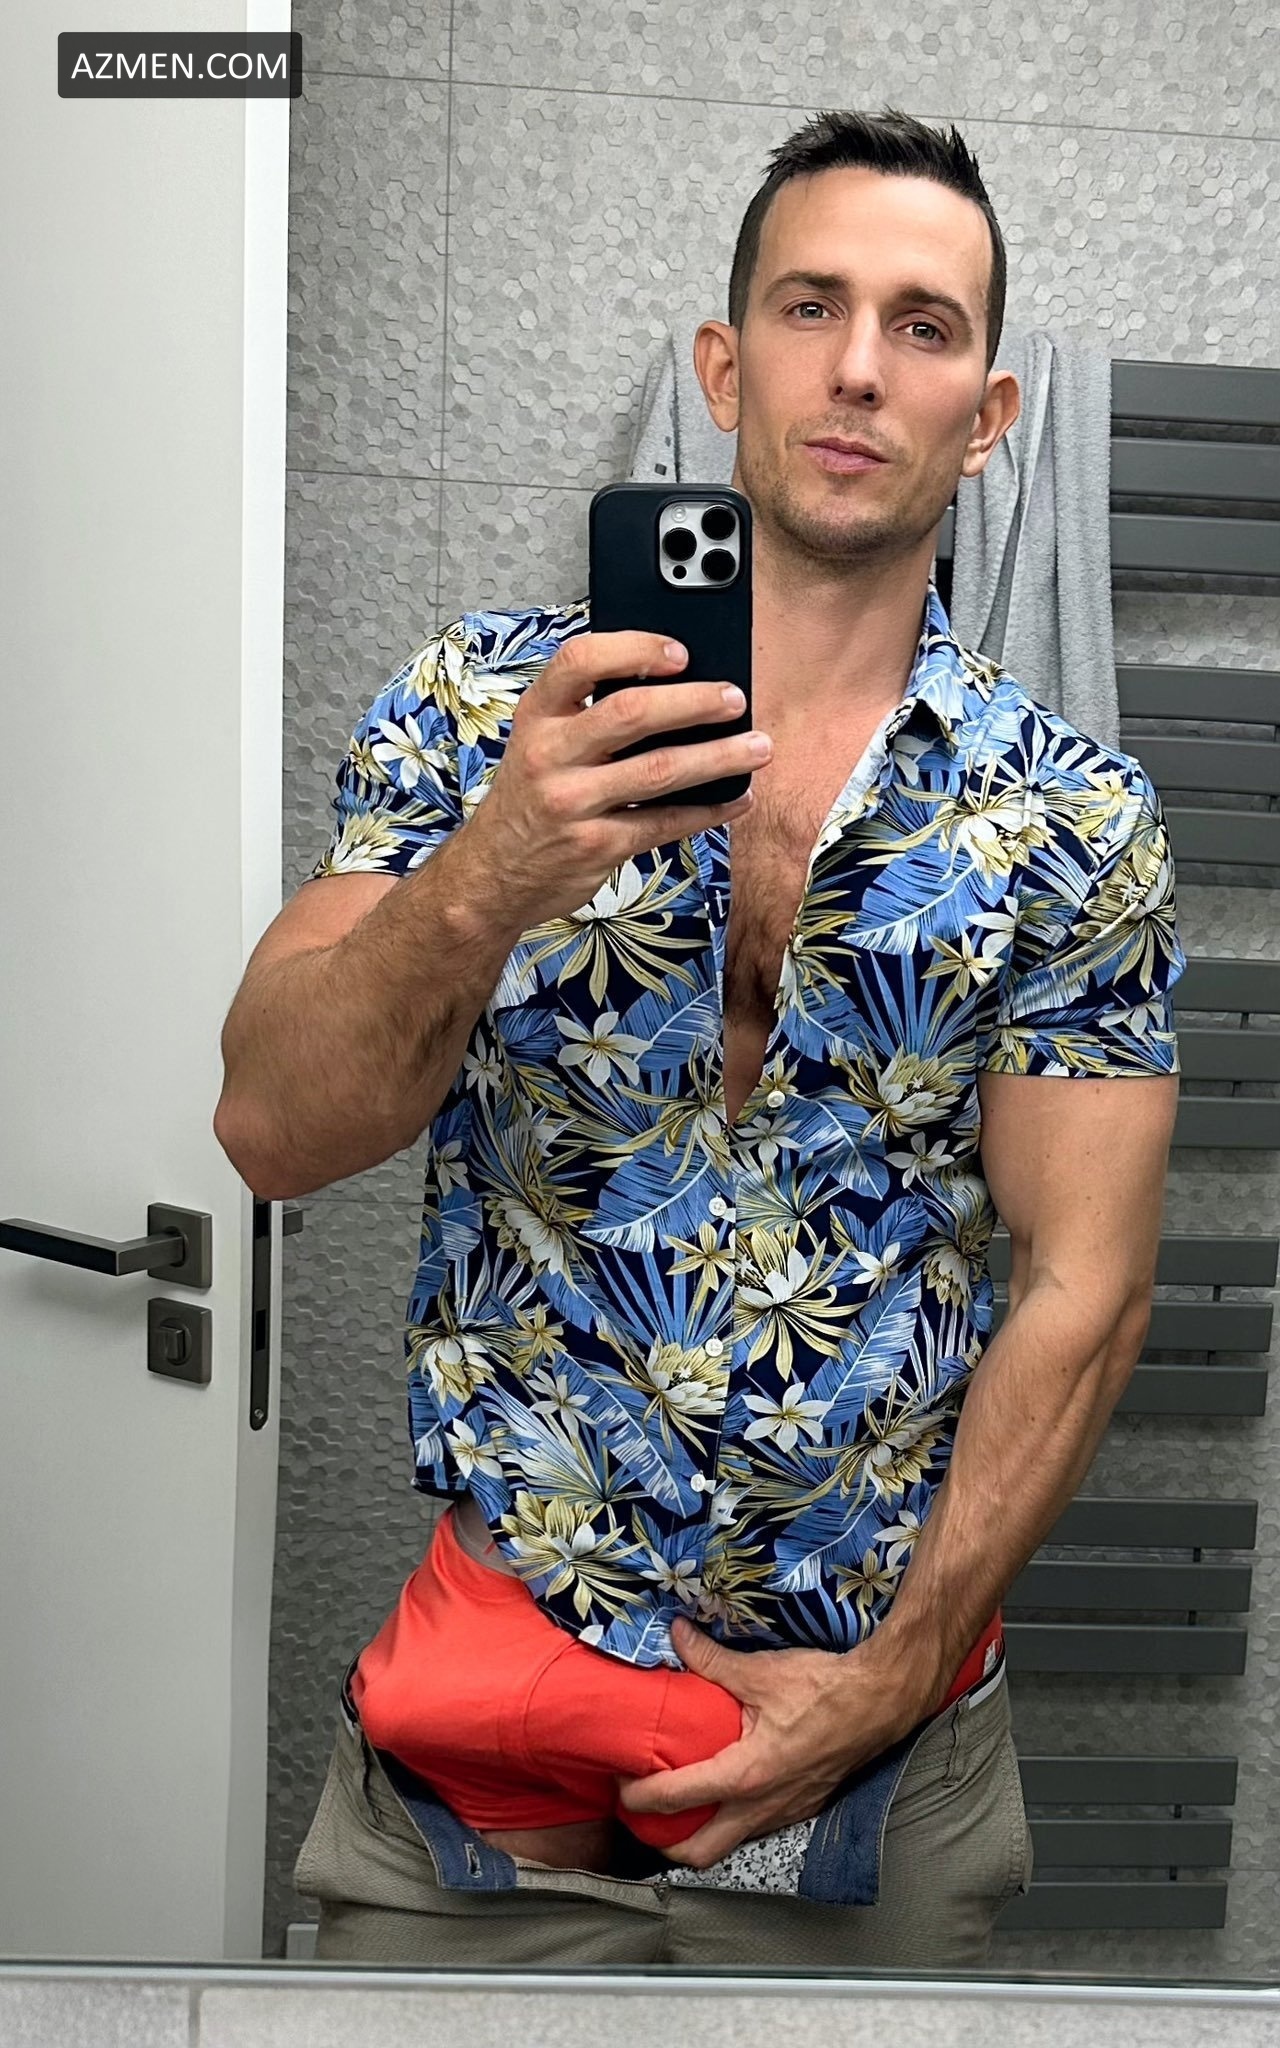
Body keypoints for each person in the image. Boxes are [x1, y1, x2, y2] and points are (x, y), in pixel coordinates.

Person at [214, 104, 1185, 1969]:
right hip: (493, 1756)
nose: (857, 367)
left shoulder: (1071, 821)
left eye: (921, 325)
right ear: (725, 369)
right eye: (812, 306)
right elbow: (271, 1126)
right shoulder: (481, 713)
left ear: (988, 416)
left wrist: (896, 1673)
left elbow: (1089, 1282)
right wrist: (494, 869)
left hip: (875, 1763)